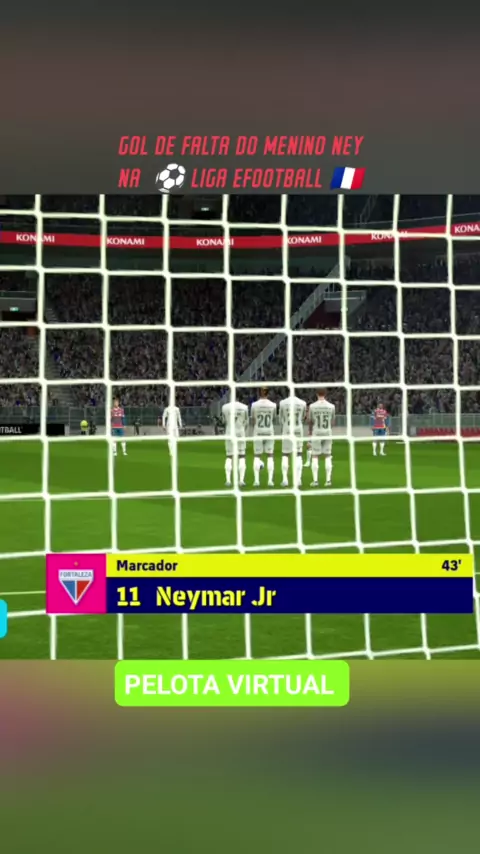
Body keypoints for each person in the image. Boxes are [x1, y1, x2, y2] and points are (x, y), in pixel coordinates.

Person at [308, 389, 335, 487]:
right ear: (325, 394)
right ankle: (328, 481)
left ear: (316, 394)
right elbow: (332, 422)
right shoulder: (331, 406)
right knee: (328, 455)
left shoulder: (312, 406)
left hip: (317, 432)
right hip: (327, 432)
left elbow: (310, 421)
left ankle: (315, 481)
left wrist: (310, 433)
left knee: (315, 456)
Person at [279, 393, 307, 487]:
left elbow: (281, 419)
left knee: (285, 454)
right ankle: (298, 480)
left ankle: (285, 480)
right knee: (298, 454)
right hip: (298, 430)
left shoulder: (282, 403)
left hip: (287, 429)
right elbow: (303, 417)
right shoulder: (303, 403)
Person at [250, 387, 277, 487]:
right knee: (270, 455)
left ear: (259, 393)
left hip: (258, 431)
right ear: (268, 394)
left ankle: (256, 481)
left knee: (257, 456)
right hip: (269, 431)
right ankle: (270, 481)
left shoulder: (254, 405)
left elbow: (253, 419)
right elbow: (274, 418)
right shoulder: (273, 405)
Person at [221, 396, 249, 486]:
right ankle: (241, 481)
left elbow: (223, 421)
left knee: (229, 456)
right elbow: (246, 422)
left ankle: (228, 481)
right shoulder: (244, 407)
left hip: (229, 433)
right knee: (242, 456)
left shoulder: (225, 407)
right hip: (240, 432)